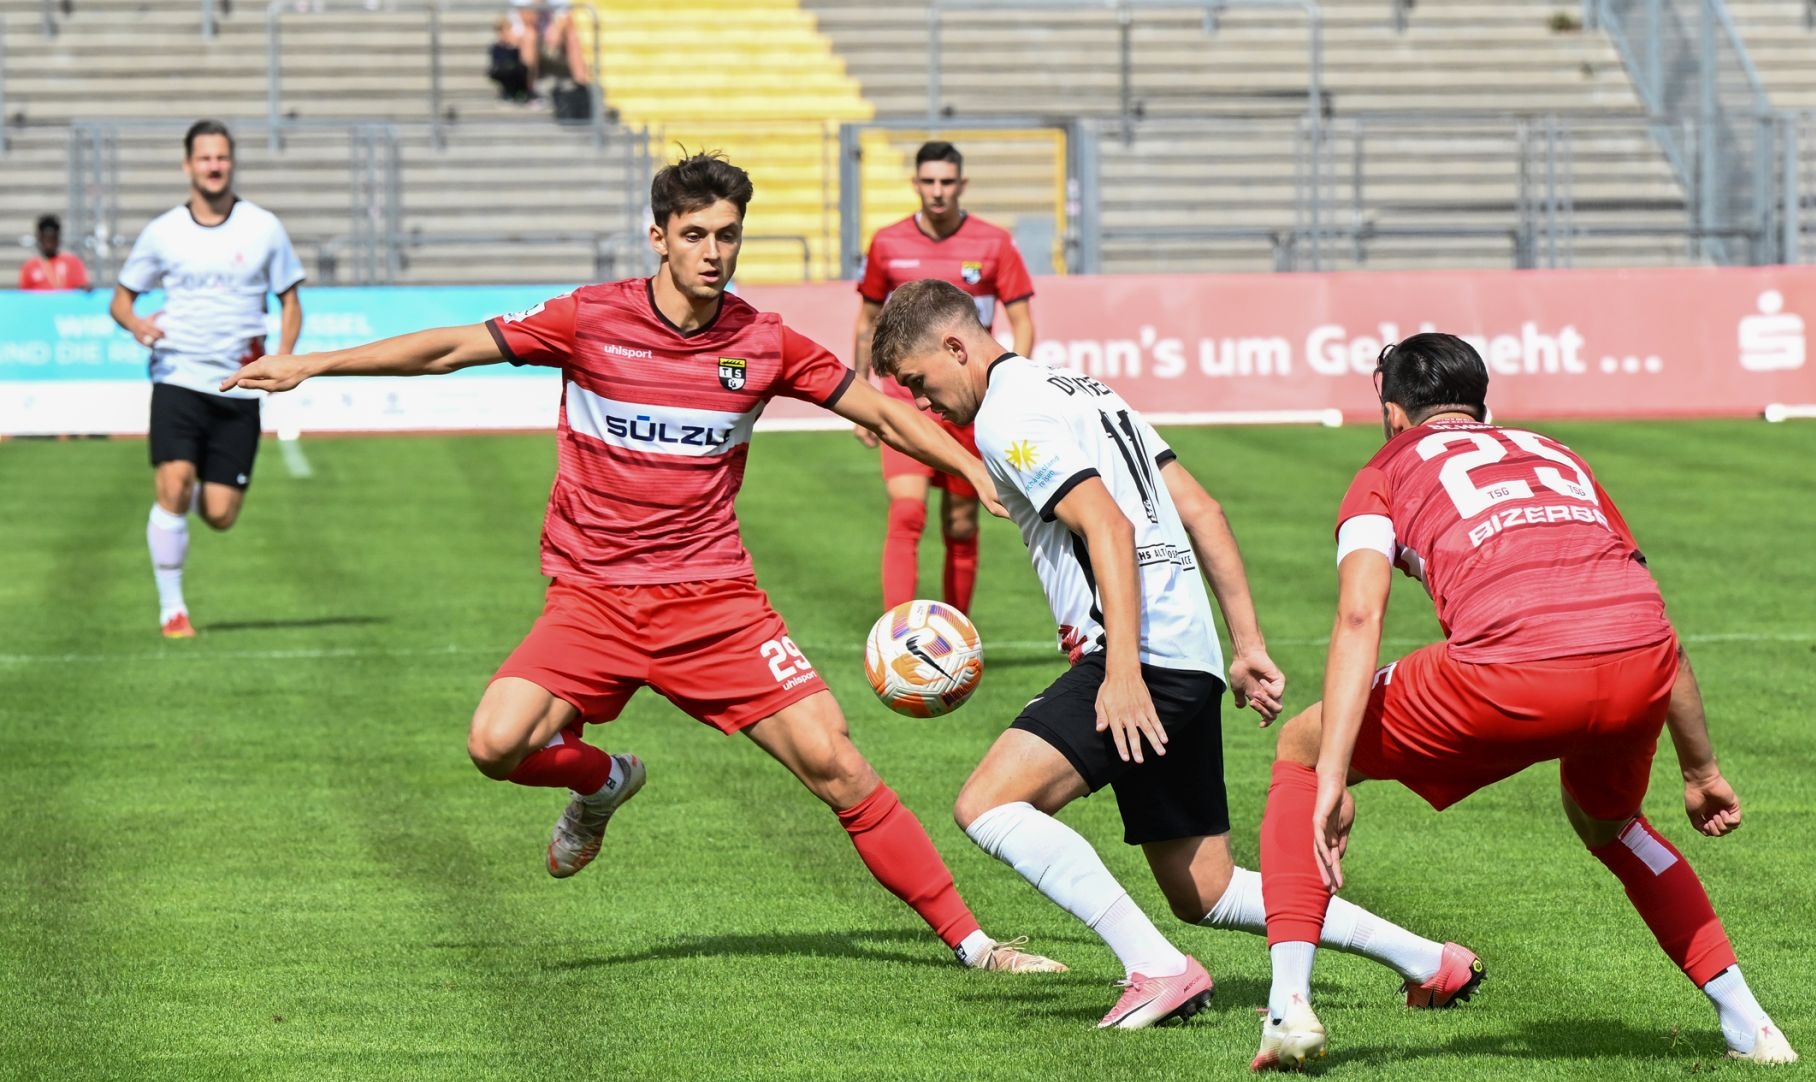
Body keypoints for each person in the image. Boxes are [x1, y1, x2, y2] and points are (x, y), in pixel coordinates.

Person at [223, 153, 1060, 976]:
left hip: (715, 605)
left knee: (837, 764)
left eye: (728, 236)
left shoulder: (762, 343)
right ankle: (605, 779)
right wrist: (312, 364)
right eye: (694, 233)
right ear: (657, 237)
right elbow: (450, 350)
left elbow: (876, 406)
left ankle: (976, 945)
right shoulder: (590, 320)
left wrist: (970, 467)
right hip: (592, 601)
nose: (713, 252)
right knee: (493, 743)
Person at [870, 280, 1483, 1028]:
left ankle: (1156, 969)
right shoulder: (1083, 388)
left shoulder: (1006, 413)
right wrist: (1246, 644)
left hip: (1138, 657)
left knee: (989, 804)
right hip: (1183, 657)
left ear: (956, 346)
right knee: (1207, 889)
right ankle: (1431, 961)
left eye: (918, 382)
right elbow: (1200, 508)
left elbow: (1108, 527)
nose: (923, 403)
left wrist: (1121, 671)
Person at [1250, 332, 1795, 1071]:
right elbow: (1643, 605)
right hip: (1637, 665)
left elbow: (1358, 617)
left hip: (1508, 675)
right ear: (1483, 408)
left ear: (1392, 414)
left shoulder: (1382, 470)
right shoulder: (1558, 455)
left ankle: (1288, 1008)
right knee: (1609, 822)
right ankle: (1752, 1025)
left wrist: (1336, 775)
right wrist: (1700, 771)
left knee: (1302, 751)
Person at [111, 120, 304, 639]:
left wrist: (284, 359)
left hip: (238, 384)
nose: (214, 166)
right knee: (173, 484)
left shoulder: (263, 226)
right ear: (187, 165)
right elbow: (121, 300)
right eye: (204, 158)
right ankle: (172, 609)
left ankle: (192, 493)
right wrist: (137, 324)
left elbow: (290, 300)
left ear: (231, 163)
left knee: (220, 514)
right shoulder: (163, 231)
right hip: (176, 375)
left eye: (221, 157)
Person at [853, 141, 1036, 616]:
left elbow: (1023, 323)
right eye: (928, 182)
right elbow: (866, 320)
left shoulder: (993, 243)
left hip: (968, 405)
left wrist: (1011, 389)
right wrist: (863, 394)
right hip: (902, 401)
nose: (937, 191)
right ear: (916, 184)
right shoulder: (888, 242)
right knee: (907, 512)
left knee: (960, 522)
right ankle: (897, 635)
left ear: (962, 184)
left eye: (946, 182)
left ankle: (955, 636)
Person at [19, 215, 91, 291]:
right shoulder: (30, 266)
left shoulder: (72, 262)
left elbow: (81, 287)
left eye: (52, 238)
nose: (49, 243)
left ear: (58, 238)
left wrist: (84, 289)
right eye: (45, 238)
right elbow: (25, 296)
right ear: (39, 239)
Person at [487, 16, 532, 103]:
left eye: (507, 30)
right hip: (503, 71)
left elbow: (523, 62)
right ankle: (507, 92)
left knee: (519, 70)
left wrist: (514, 46)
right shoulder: (496, 47)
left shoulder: (516, 47)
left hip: (516, 72)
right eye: (501, 31)